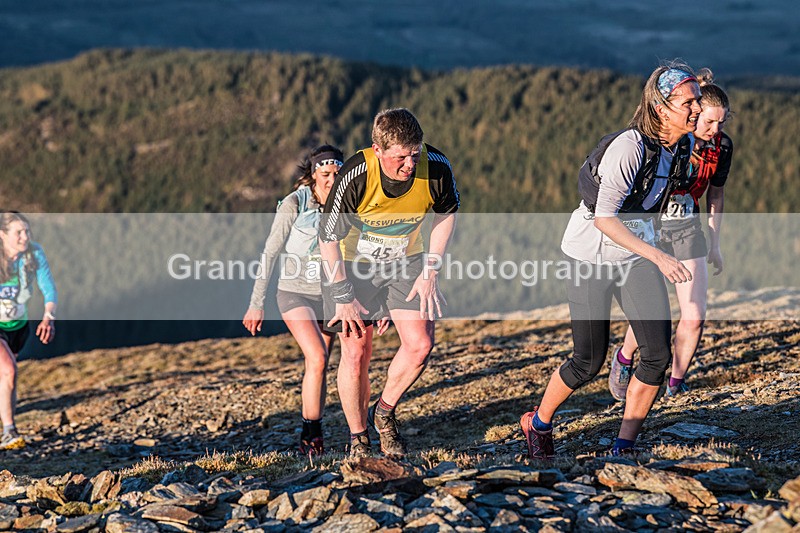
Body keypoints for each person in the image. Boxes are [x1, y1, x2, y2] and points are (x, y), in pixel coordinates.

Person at [520, 63, 702, 458]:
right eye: (688, 102)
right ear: (660, 108)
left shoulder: (681, 147)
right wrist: (658, 255)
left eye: (698, 101)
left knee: (656, 356)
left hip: (635, 256)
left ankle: (624, 447)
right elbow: (604, 218)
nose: (697, 109)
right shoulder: (630, 148)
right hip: (590, 255)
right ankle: (537, 423)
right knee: (587, 361)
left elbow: (654, 206)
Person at [319, 108, 459, 457]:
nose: (409, 164)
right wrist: (341, 293)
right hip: (352, 265)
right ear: (377, 150)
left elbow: (446, 214)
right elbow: (327, 237)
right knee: (355, 351)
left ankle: (384, 413)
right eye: (400, 157)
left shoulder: (435, 166)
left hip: (407, 260)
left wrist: (431, 270)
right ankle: (358, 439)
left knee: (420, 345)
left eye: (414, 153)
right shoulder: (356, 174)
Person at [609, 69, 734, 400]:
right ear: (694, 114)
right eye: (708, 122)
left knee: (693, 317)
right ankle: (624, 355)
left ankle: (675, 386)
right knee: (654, 315)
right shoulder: (673, 143)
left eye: (721, 123)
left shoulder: (721, 147)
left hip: (688, 230)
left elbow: (715, 194)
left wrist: (715, 242)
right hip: (653, 230)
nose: (715, 130)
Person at [243, 145, 349, 457]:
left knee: (321, 364)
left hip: (329, 295)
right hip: (294, 292)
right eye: (326, 174)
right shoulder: (295, 203)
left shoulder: (347, 204)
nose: (332, 179)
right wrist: (256, 302)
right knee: (316, 357)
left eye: (337, 174)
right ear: (314, 173)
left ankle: (316, 426)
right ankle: (310, 438)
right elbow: (270, 252)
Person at [0, 211, 57, 451]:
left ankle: (8, 430)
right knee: (9, 370)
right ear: (2, 235)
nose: (25, 237)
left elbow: (49, 288)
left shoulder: (34, 254)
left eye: (27, 231)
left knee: (9, 377)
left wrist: (49, 317)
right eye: (18, 232)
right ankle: (9, 430)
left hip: (19, 327)